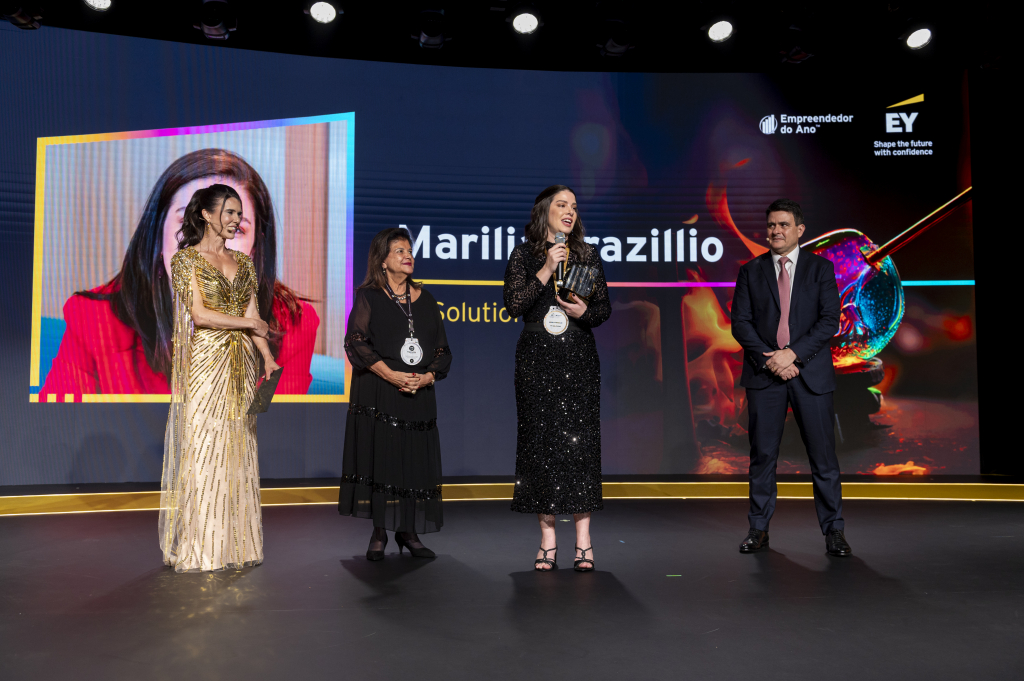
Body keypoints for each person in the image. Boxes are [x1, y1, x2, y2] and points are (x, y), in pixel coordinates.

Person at [40, 148, 318, 399]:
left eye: (236, 228)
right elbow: (60, 435)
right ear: (159, 237)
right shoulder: (93, 321)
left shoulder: (294, 326)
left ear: (254, 250)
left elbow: (274, 440)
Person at [159, 184, 280, 572]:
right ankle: (204, 547)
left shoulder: (243, 263)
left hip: (242, 362)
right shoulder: (186, 261)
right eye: (228, 212)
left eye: (239, 213)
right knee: (206, 445)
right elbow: (199, 316)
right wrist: (249, 323)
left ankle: (238, 545)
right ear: (206, 215)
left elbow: (253, 311)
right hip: (207, 360)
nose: (235, 220)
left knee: (238, 444)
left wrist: (267, 357)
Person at [730, 198, 851, 557]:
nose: (776, 231)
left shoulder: (821, 269)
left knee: (823, 459)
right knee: (762, 457)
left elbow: (830, 320)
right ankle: (758, 529)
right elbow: (741, 323)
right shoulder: (750, 271)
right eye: (771, 225)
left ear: (799, 230)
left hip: (809, 374)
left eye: (783, 225)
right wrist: (772, 361)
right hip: (764, 374)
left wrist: (792, 354)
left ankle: (834, 532)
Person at [503, 185, 611, 572]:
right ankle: (547, 538)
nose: (569, 212)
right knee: (540, 444)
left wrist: (584, 310)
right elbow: (514, 304)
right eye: (562, 205)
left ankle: (583, 539)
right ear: (544, 211)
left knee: (581, 445)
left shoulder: (587, 254)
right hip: (536, 359)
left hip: (578, 356)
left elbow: (603, 311)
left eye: (574, 207)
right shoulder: (525, 254)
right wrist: (547, 267)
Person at [339, 228, 452, 560]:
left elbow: (444, 351)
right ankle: (379, 532)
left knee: (413, 462)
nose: (408, 255)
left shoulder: (427, 299)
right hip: (379, 391)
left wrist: (427, 377)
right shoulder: (369, 296)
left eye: (409, 250)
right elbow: (356, 342)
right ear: (383, 261)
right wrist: (391, 375)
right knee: (382, 459)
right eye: (399, 251)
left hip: (417, 393)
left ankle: (408, 531)